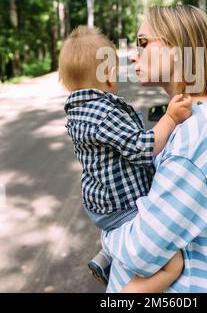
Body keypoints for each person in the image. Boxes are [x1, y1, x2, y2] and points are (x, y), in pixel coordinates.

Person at [99, 5, 207, 293]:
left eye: (142, 42)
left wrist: (107, 228)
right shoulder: (189, 122)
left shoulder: (198, 133)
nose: (131, 54)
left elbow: (142, 251)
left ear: (178, 48)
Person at [59, 25, 192, 293]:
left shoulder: (77, 111)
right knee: (174, 263)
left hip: (102, 205)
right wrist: (170, 118)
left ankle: (107, 254)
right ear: (108, 76)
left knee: (118, 231)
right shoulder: (105, 113)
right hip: (122, 206)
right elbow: (143, 148)